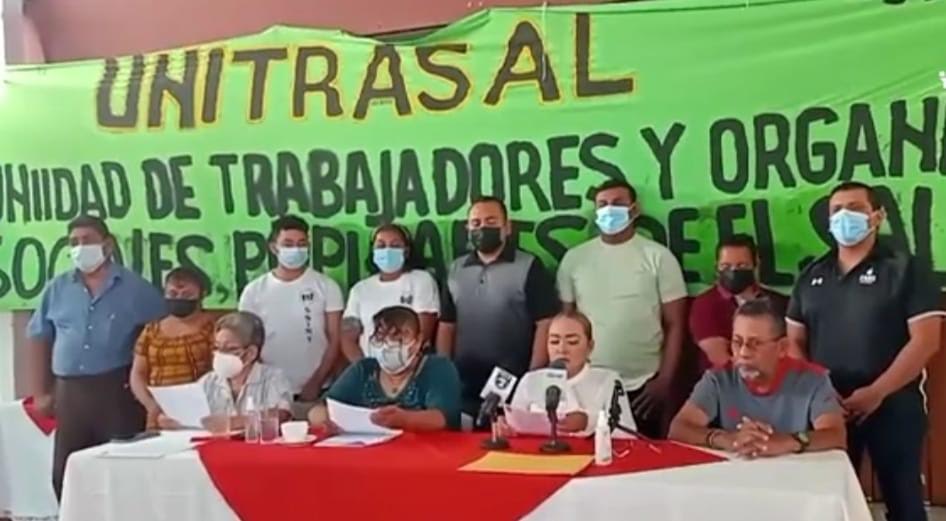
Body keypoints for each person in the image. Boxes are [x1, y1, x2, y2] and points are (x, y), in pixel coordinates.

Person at [786, 181, 944, 521]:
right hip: (828, 410)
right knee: (830, 503)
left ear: (878, 216)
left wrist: (875, 392)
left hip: (894, 404)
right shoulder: (811, 275)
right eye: (837, 210)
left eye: (855, 208)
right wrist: (820, 392)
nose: (845, 216)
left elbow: (926, 340)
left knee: (904, 504)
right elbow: (794, 342)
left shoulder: (907, 269)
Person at [25, 215, 167, 498]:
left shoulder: (137, 289)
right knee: (67, 474)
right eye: (73, 242)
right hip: (70, 394)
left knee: (117, 473)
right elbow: (39, 336)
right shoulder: (58, 288)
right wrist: (40, 393)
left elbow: (161, 337)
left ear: (108, 244)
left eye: (87, 240)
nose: (80, 247)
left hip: (117, 392)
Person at [557, 179, 687, 438]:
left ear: (634, 209)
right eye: (602, 204)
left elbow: (676, 324)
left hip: (644, 386)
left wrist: (664, 381)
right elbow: (565, 323)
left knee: (642, 458)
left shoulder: (658, 257)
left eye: (617, 203)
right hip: (587, 384)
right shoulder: (574, 259)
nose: (609, 210)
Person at [668, 299, 846, 457]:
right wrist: (728, 439)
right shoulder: (718, 379)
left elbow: (835, 435)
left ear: (782, 348)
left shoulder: (813, 379)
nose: (743, 353)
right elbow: (679, 429)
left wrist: (787, 442)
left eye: (755, 344)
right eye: (737, 342)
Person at [436, 196, 560, 420]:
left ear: (507, 227)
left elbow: (545, 323)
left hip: (514, 381)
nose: (483, 228)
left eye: (491, 222)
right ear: (467, 228)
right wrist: (443, 373)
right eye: (476, 223)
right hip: (463, 382)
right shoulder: (456, 269)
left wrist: (533, 376)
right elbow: (447, 325)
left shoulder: (529, 265)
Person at [239, 215, 344, 419]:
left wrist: (316, 381)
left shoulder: (326, 286)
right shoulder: (254, 291)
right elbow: (247, 342)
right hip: (269, 390)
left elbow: (335, 339)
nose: (296, 249)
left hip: (317, 389)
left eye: (302, 244)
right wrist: (266, 382)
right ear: (273, 247)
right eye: (288, 244)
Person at [310, 306, 462, 431]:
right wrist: (325, 420)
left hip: (428, 454)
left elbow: (442, 419)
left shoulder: (438, 368)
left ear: (418, 341)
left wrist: (404, 420)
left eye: (398, 338)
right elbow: (319, 410)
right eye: (381, 338)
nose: (388, 345)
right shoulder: (364, 369)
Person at [504, 310, 635, 437]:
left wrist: (589, 422)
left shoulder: (609, 381)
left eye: (572, 342)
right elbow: (514, 426)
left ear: (590, 347)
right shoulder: (530, 381)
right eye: (554, 342)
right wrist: (505, 428)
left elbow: (628, 435)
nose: (561, 349)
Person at [158, 311, 293, 431]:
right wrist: (170, 419)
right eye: (217, 348)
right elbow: (187, 413)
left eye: (230, 349)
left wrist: (235, 422)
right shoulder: (208, 382)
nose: (220, 354)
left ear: (251, 353)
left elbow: (282, 414)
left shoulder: (273, 378)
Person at [130, 267, 215, 430]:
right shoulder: (152, 330)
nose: (179, 298)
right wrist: (151, 405)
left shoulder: (213, 327)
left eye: (187, 295)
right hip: (159, 414)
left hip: (202, 411)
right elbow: (138, 373)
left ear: (202, 295)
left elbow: (218, 375)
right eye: (173, 294)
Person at [342, 224, 439, 362]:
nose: (387, 250)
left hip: (412, 365)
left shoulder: (421, 280)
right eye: (381, 246)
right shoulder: (359, 289)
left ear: (406, 251)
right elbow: (347, 337)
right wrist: (365, 368)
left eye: (395, 245)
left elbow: (423, 332)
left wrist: (402, 367)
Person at [689, 234, 788, 370]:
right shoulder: (704, 305)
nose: (733, 271)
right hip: (725, 381)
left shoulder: (777, 302)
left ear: (756, 264)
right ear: (717, 267)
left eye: (742, 265)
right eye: (726, 266)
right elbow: (720, 358)